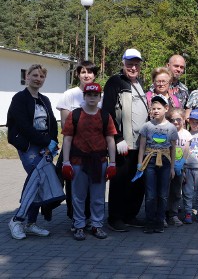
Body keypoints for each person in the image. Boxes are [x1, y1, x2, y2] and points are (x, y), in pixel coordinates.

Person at [7, 64, 59, 240]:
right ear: (27, 76)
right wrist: (46, 141)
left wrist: (53, 142)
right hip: (29, 146)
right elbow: (23, 125)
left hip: (45, 145)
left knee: (37, 181)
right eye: (34, 75)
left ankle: (30, 223)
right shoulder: (19, 98)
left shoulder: (45, 99)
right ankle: (17, 220)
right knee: (38, 178)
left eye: (41, 76)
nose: (38, 78)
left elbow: (52, 122)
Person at [61, 83, 117, 240]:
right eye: (89, 95)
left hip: (99, 162)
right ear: (84, 96)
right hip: (78, 161)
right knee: (78, 196)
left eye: (95, 95)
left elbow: (110, 140)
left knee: (98, 196)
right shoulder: (75, 115)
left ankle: (97, 225)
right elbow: (67, 139)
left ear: (99, 98)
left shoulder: (105, 116)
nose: (92, 98)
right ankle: (79, 225)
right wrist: (66, 162)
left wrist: (112, 163)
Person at [102, 48, 149, 232]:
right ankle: (115, 218)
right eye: (130, 63)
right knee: (120, 181)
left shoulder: (141, 83)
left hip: (141, 144)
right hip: (123, 144)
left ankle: (131, 215)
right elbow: (107, 112)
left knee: (138, 182)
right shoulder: (115, 82)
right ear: (123, 63)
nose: (133, 67)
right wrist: (117, 137)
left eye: (136, 64)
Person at [56, 60, 100, 228]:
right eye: (83, 72)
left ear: (95, 75)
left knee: (92, 183)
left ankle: (89, 218)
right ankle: (75, 217)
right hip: (74, 147)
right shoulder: (69, 94)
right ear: (78, 75)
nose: (86, 75)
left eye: (90, 72)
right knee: (73, 184)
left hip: (94, 149)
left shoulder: (98, 95)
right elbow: (66, 124)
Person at [138, 95, 178, 233]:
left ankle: (160, 221)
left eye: (159, 108)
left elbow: (173, 149)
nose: (156, 111)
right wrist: (139, 164)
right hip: (149, 160)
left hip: (165, 161)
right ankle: (149, 222)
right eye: (153, 108)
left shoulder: (172, 128)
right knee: (150, 194)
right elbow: (142, 146)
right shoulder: (147, 126)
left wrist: (172, 167)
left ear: (166, 109)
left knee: (163, 193)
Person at [166, 107, 191, 227]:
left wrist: (182, 163)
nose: (175, 122)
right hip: (167, 166)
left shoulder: (186, 134)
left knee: (176, 191)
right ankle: (163, 214)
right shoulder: (167, 131)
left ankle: (173, 214)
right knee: (165, 190)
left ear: (184, 120)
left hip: (180, 167)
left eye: (178, 119)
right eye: (172, 120)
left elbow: (186, 149)